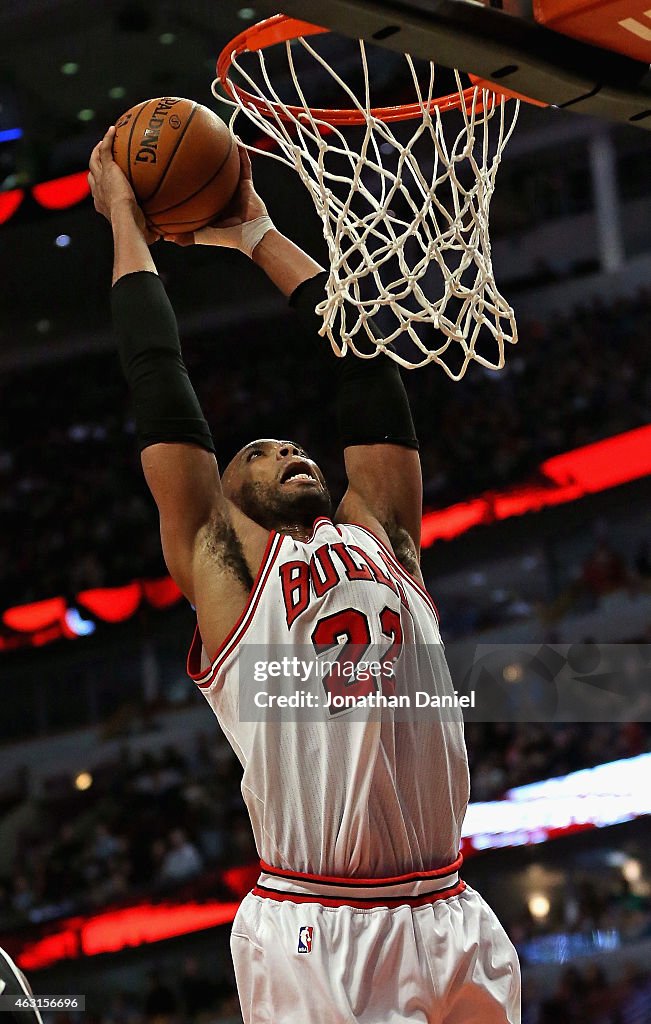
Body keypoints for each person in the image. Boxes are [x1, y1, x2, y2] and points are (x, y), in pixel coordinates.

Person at [88, 126, 520, 1024]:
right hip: (318, 921)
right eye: (259, 452)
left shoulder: (382, 536)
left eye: (294, 444)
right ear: (226, 499)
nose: (288, 448)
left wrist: (256, 234)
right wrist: (126, 223)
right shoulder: (226, 569)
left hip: (450, 905)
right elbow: (159, 383)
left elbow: (363, 361)